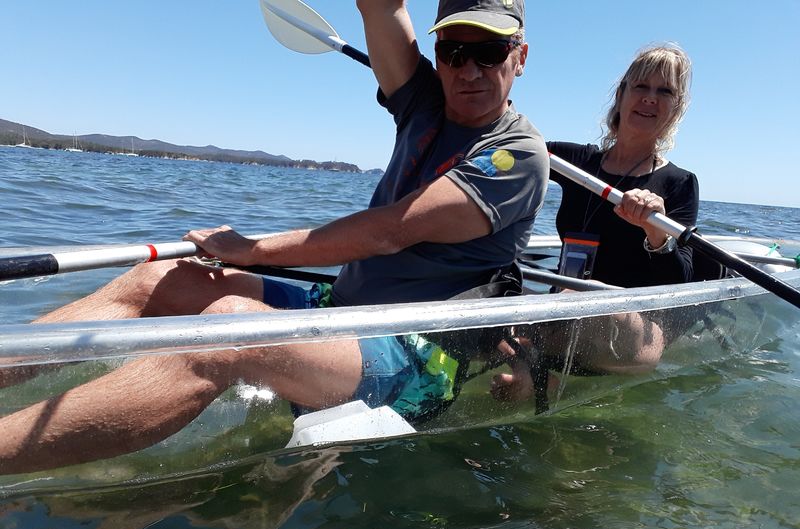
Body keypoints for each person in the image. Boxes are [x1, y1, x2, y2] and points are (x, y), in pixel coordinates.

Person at [0, 0, 548, 474]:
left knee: (227, 330)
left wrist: (251, 251)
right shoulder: (423, 104)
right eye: (453, 52)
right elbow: (381, 9)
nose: (469, 70)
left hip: (420, 357)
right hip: (343, 307)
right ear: (438, 57)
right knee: (160, 279)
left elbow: (389, 232)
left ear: (520, 58)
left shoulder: (518, 155)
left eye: (491, 53)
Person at [492, 44, 699, 401]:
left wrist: (655, 232)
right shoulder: (577, 162)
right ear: (621, 95)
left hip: (629, 330)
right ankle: (535, 373)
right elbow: (509, 145)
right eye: (641, 87)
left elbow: (680, 285)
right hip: (562, 314)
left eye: (664, 91)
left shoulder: (679, 183)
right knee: (490, 285)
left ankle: (535, 372)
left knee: (571, 302)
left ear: (675, 108)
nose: (650, 98)